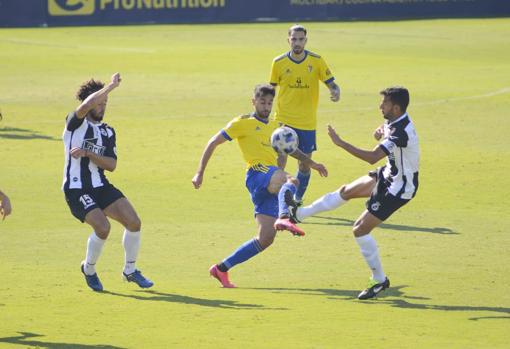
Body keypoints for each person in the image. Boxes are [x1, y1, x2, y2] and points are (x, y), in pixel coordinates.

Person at [286, 86, 419, 299]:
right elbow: (386, 130)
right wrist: (380, 131)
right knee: (346, 191)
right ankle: (298, 215)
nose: (380, 106)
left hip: (399, 188)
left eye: (384, 103)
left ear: (395, 107)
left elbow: (372, 157)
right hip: (388, 174)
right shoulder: (395, 120)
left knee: (359, 230)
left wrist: (340, 143)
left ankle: (379, 279)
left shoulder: (400, 132)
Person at [192, 84, 328, 288]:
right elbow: (213, 142)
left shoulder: (276, 126)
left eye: (269, 103)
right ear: (253, 101)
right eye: (262, 102)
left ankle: (221, 268)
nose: (266, 106)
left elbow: (291, 149)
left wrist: (313, 164)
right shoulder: (242, 123)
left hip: (272, 180)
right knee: (291, 180)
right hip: (257, 173)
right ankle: (285, 217)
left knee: (265, 238)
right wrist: (200, 172)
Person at [62, 73, 153, 292]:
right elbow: (87, 104)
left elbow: (111, 164)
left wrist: (88, 153)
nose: (103, 107)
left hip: (100, 185)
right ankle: (89, 269)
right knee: (103, 227)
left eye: (106, 103)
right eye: (100, 103)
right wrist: (111, 86)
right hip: (77, 188)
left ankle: (130, 270)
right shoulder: (75, 123)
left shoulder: (107, 131)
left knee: (134, 222)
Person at [269, 24, 341, 204]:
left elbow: (331, 82)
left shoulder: (316, 61)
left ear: (306, 41)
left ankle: (297, 198)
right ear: (288, 40)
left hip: (307, 122)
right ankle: (275, 199)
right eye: (294, 39)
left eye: (301, 39)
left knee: (305, 164)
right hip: (284, 119)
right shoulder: (278, 62)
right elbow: (270, 89)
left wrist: (335, 91)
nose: (297, 43)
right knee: (280, 159)